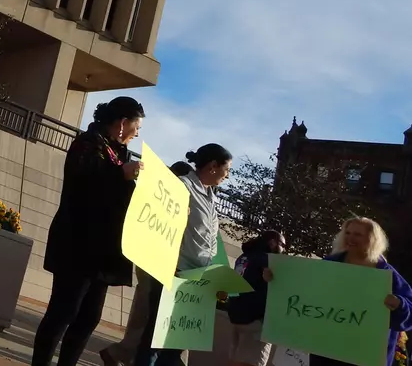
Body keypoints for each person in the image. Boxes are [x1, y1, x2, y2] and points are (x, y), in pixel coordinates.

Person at [31, 97, 145, 366]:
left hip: (103, 251)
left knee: (89, 317)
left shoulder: (120, 154)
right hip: (78, 244)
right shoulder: (87, 143)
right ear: (122, 123)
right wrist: (121, 175)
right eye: (136, 127)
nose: (137, 134)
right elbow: (83, 184)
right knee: (63, 311)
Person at [133, 142, 233, 366]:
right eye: (227, 169)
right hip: (176, 273)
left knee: (177, 341)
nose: (228, 175)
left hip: (199, 280)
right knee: (156, 339)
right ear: (213, 166)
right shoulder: (182, 186)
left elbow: (208, 241)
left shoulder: (211, 196)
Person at [264, 217, 412, 366]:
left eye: (357, 234)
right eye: (347, 233)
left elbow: (409, 313)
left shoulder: (386, 274)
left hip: (365, 356)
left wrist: (399, 305)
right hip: (326, 353)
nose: (350, 238)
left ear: (372, 239)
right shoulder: (329, 264)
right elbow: (301, 290)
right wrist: (276, 277)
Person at [100, 161, 194, 366]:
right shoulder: (167, 198)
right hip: (158, 259)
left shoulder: (162, 194)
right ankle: (123, 352)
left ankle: (123, 352)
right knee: (149, 313)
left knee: (146, 311)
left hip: (154, 257)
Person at [226, 230, 285, 366]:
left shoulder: (244, 257)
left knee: (235, 361)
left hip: (236, 316)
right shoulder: (267, 259)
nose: (283, 249)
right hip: (255, 322)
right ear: (272, 243)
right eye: (282, 244)